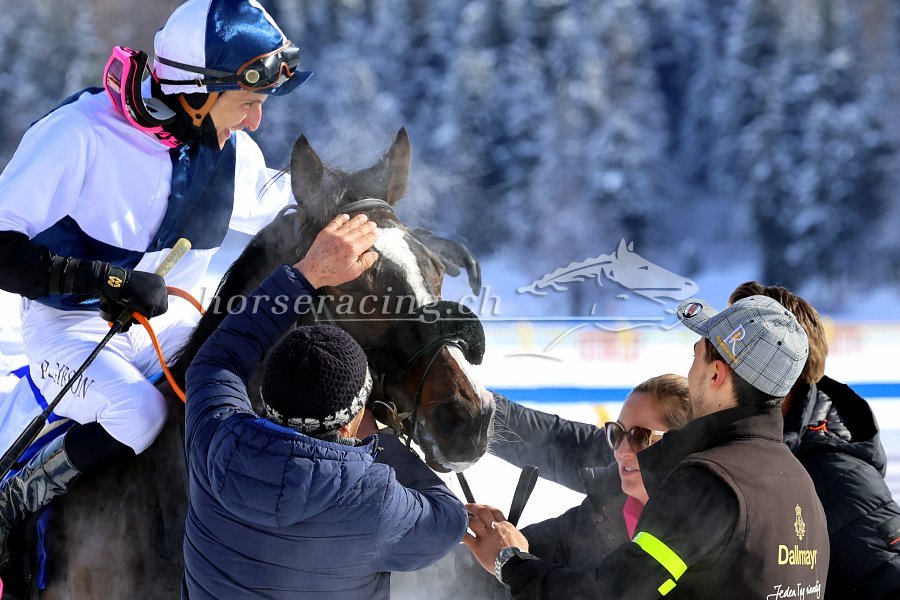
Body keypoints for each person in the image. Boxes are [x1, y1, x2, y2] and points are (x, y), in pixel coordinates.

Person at [0, 0, 310, 565]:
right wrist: (101, 279)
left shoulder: (233, 151)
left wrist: (358, 200)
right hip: (72, 333)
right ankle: (14, 498)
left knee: (260, 382)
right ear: (196, 91)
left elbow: (281, 199)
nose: (255, 122)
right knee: (138, 415)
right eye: (247, 103)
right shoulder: (79, 134)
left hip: (171, 329)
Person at [466, 295, 830, 599]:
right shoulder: (802, 484)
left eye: (695, 357)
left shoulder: (709, 481)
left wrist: (510, 564)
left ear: (716, 374)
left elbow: (616, 594)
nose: (691, 372)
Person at [182, 213, 468, 599]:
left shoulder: (215, 442)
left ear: (267, 392)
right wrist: (380, 439)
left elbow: (217, 360)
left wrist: (305, 274)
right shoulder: (377, 501)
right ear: (353, 419)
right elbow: (449, 518)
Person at [730, 281, 900, 598]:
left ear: (774, 368)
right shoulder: (736, 455)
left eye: (733, 348)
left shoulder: (839, 479)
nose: (719, 364)